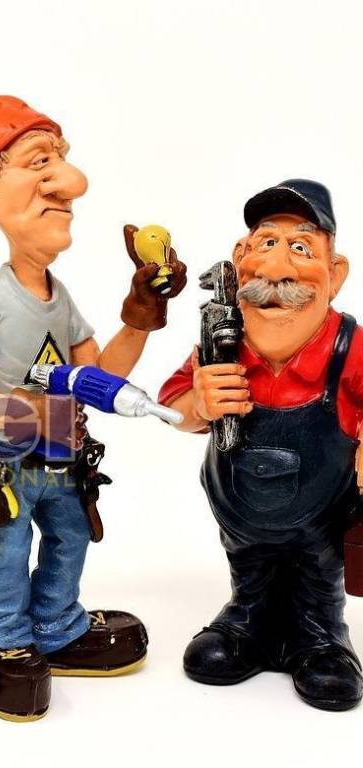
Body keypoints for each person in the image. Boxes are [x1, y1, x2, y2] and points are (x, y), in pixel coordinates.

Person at [0, 96, 185, 721]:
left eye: (62, 160)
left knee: (70, 535)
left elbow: (99, 376)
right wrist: (28, 416)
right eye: (40, 161)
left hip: (61, 462)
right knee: (6, 548)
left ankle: (55, 624)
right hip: (6, 465)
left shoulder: (62, 299)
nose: (71, 184)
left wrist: (142, 312)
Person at [160, 179, 363, 711]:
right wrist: (200, 402)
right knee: (250, 568)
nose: (277, 270)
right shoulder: (219, 342)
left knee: (316, 574)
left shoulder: (349, 348)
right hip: (240, 511)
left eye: (301, 248)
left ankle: (320, 634)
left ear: (336, 274)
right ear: (239, 260)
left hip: (322, 515)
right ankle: (246, 619)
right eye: (266, 244)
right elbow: (172, 406)